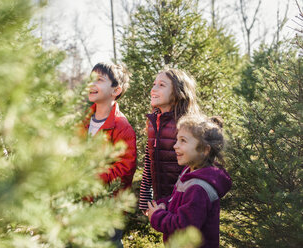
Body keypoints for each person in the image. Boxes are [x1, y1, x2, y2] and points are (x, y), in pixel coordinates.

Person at [147, 115, 232, 247]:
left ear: (204, 150)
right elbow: (178, 201)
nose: (175, 146)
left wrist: (158, 216)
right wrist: (163, 205)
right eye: (177, 140)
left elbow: (184, 228)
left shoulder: (198, 188)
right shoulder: (189, 171)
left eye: (183, 141)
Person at [83, 62, 137, 247]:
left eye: (99, 80)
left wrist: (91, 180)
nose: (92, 83)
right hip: (80, 202)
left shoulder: (122, 127)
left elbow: (124, 169)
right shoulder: (82, 122)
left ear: (116, 90)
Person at [139, 69, 200, 215]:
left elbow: (195, 169)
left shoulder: (187, 125)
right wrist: (145, 201)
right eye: (154, 84)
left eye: (161, 85)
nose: (153, 89)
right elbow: (149, 163)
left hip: (185, 202)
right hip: (163, 203)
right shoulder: (154, 122)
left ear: (178, 92)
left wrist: (173, 201)